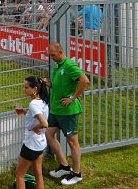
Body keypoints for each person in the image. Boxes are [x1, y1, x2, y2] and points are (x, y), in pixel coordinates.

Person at [45, 42, 90, 186]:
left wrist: (72, 98)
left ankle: (77, 174)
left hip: (68, 111)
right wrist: (49, 84)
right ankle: (64, 167)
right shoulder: (58, 66)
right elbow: (60, 85)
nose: (51, 57)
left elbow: (84, 80)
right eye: (49, 55)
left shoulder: (69, 66)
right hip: (56, 110)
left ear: (60, 52)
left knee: (72, 141)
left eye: (53, 55)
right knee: (49, 134)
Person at [14, 76, 50, 189]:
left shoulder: (33, 104)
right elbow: (38, 115)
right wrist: (26, 112)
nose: (24, 89)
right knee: (38, 173)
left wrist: (35, 127)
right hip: (41, 143)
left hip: (31, 144)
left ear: (34, 88)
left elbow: (44, 123)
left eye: (26, 87)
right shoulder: (43, 101)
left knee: (19, 175)